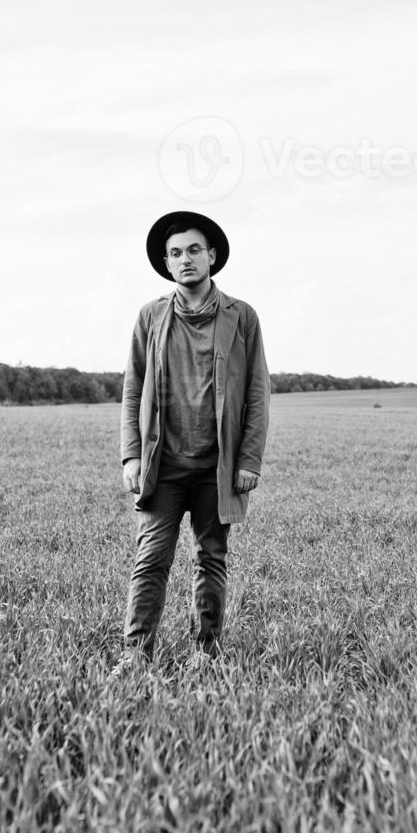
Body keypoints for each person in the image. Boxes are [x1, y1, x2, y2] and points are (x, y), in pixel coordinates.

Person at [113, 211, 270, 677]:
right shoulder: (151, 316)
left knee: (211, 560)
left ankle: (207, 651)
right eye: (176, 252)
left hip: (216, 467)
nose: (186, 259)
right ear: (166, 262)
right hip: (163, 464)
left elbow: (257, 392)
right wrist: (131, 454)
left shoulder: (241, 317)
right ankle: (135, 655)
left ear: (212, 256)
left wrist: (249, 459)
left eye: (194, 250)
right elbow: (133, 389)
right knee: (150, 559)